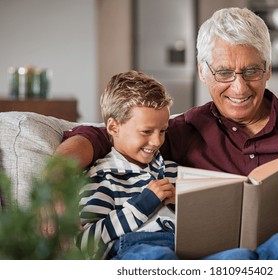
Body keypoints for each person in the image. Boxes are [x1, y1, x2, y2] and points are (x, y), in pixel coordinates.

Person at [57, 8, 278, 260]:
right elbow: (111, 135)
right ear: (203, 71)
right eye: (224, 72)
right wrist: (53, 177)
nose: (239, 87)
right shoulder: (181, 132)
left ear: (268, 69)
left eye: (252, 71)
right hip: (245, 255)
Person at [76, 70, 254, 260]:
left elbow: (204, 225)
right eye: (146, 131)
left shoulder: (174, 170)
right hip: (137, 249)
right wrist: (143, 204)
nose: (157, 141)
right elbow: (85, 246)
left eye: (162, 131)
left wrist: (184, 205)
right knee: (159, 256)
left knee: (241, 257)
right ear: (113, 127)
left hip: (183, 248)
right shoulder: (101, 178)